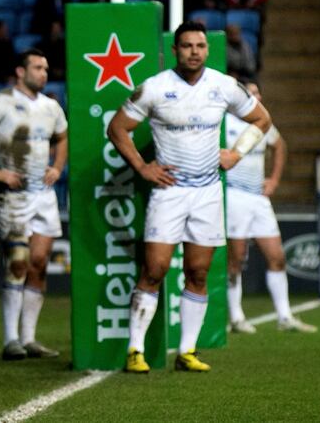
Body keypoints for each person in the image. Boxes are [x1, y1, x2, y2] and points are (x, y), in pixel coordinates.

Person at [107, 21, 272, 373]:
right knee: (155, 268)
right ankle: (135, 350)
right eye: (186, 46)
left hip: (208, 192)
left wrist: (237, 153)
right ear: (175, 50)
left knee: (198, 271)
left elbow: (261, 120)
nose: (194, 51)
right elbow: (117, 128)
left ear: (208, 50)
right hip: (170, 192)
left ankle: (187, 351)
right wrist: (141, 167)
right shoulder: (154, 88)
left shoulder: (224, 85)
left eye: (200, 45)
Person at [0, 48, 68, 361]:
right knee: (18, 260)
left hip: (44, 196)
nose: (44, 73)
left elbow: (63, 137)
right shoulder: (2, 103)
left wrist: (57, 167)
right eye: (38, 67)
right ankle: (11, 339)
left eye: (46, 67)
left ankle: (29, 338)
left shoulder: (51, 107)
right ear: (21, 72)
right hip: (15, 195)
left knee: (38, 263)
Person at [226, 82, 317, 334]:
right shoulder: (225, 123)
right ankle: (236, 317)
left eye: (258, 93)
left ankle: (284, 317)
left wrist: (274, 179)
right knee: (236, 259)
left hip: (258, 198)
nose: (258, 97)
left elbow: (280, 145)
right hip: (234, 196)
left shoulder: (263, 123)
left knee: (276, 256)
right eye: (252, 94)